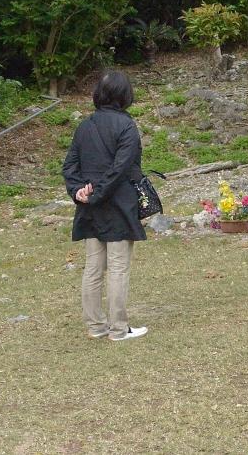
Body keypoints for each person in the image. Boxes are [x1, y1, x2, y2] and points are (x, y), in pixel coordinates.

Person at [62, 70, 149, 341]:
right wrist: (90, 193)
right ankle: (118, 329)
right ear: (125, 95)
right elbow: (120, 169)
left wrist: (80, 191)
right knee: (117, 267)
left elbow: (70, 167)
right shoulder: (126, 126)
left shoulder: (85, 126)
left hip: (91, 204)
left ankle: (96, 326)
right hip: (118, 204)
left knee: (93, 267)